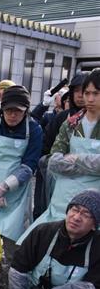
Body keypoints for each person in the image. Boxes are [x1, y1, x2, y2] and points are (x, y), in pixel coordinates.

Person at [28, 68, 100, 233]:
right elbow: (53, 160)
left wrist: (75, 159)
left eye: (96, 93)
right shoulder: (71, 124)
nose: (89, 98)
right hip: (63, 198)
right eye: (87, 93)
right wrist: (89, 164)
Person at [0, 85, 42, 245]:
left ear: (26, 110)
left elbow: (29, 166)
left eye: (18, 111)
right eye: (8, 110)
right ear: (2, 109)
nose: (13, 115)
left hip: (16, 195)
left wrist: (3, 188)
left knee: (13, 243)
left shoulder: (34, 130)